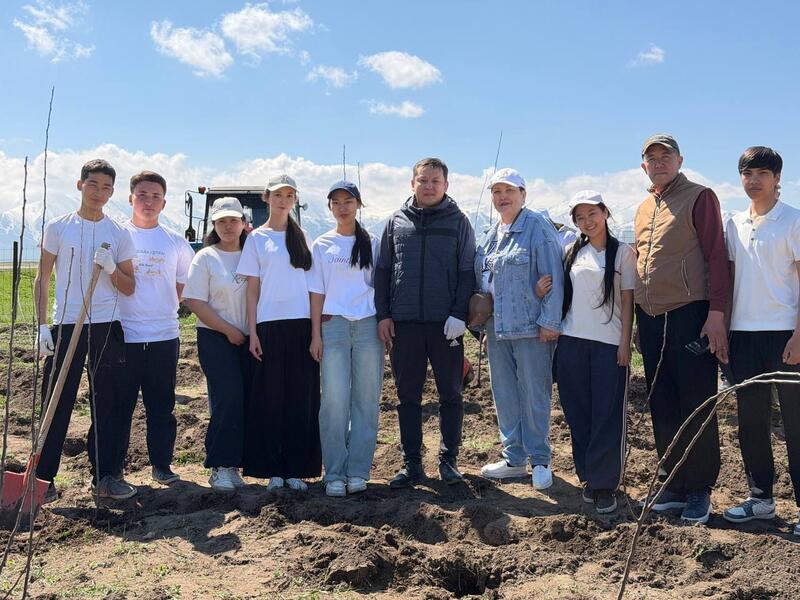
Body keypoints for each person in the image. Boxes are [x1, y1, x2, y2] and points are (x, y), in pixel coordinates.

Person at [635, 134, 730, 524]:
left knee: (695, 400)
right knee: (662, 402)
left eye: (665, 156)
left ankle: (699, 489)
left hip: (691, 313)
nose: (659, 162)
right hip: (652, 319)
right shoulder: (644, 207)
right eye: (651, 158)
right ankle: (672, 482)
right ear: (644, 166)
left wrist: (717, 313)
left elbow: (715, 256)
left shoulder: (699, 196)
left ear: (679, 160)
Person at [34, 159, 137, 501]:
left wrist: (110, 270)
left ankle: (106, 476)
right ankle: (42, 480)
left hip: (106, 325)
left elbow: (129, 287)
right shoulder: (58, 228)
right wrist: (43, 326)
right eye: (93, 185)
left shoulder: (118, 232)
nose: (100, 193)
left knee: (108, 402)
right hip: (66, 324)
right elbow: (42, 279)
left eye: (107, 187)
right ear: (80, 186)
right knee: (56, 400)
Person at [374, 157, 476, 488]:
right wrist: (384, 314)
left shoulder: (459, 222)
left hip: (445, 324)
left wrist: (459, 314)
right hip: (404, 325)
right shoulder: (395, 222)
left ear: (446, 185)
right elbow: (384, 271)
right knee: (407, 397)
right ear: (412, 183)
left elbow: (466, 271)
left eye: (435, 181)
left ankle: (449, 461)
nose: (428, 186)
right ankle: (412, 463)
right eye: (423, 180)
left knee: (451, 394)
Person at [722, 147, 800, 536]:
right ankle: (761, 500)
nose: (753, 180)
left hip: (785, 334)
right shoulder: (734, 223)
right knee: (751, 423)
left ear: (777, 178)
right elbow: (731, 279)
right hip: (744, 335)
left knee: (795, 422)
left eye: (762, 173)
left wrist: (799, 336)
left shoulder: (794, 221)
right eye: (746, 173)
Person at [474, 168, 564, 490]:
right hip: (497, 330)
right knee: (505, 394)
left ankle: (540, 459)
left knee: (534, 394)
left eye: (509, 191)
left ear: (523, 195)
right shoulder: (490, 235)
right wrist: (483, 327)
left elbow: (554, 275)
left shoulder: (537, 228)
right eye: (497, 192)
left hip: (530, 328)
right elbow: (485, 282)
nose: (502, 197)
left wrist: (549, 322)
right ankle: (514, 459)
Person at [236, 173, 320, 491]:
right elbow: (252, 290)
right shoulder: (256, 238)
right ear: (267, 198)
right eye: (277, 194)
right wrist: (253, 332)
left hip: (300, 326)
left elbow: (314, 290)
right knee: (269, 398)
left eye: (289, 195)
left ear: (294, 200)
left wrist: (315, 334)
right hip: (269, 327)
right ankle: (271, 468)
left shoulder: (303, 237)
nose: (283, 200)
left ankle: (297, 468)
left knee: (301, 398)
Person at [556, 191, 635, 513]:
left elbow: (628, 301)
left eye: (592, 214)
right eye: (580, 217)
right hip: (571, 341)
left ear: (605, 212)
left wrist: (625, 342)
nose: (587, 221)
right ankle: (588, 475)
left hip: (607, 344)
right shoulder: (572, 251)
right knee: (578, 412)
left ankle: (605, 485)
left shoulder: (623, 254)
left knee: (607, 414)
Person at [116, 171, 195, 486]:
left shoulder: (175, 242)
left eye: (155, 196)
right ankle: (112, 470)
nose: (148, 202)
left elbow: (181, 284)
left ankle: (161, 465)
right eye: (142, 194)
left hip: (163, 336)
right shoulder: (118, 235)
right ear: (130, 197)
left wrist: (163, 309)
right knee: (119, 407)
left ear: (164, 201)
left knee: (162, 406)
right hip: (123, 335)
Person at [308, 181, 384, 497]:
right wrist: (315, 334)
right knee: (334, 400)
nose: (342, 207)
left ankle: (358, 470)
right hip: (333, 326)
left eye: (348, 201)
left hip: (367, 327)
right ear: (330, 207)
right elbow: (316, 291)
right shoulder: (321, 245)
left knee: (366, 399)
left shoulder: (375, 244)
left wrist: (384, 325)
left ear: (358, 205)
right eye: (336, 202)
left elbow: (382, 287)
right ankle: (335, 472)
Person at [183, 197, 252, 492]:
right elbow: (194, 300)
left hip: (251, 338)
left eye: (233, 220)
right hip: (216, 336)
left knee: (245, 400)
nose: (228, 226)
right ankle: (220, 465)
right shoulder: (206, 257)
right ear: (213, 224)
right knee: (227, 398)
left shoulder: (253, 255)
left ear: (244, 223)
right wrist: (228, 330)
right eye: (222, 221)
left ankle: (235, 464)